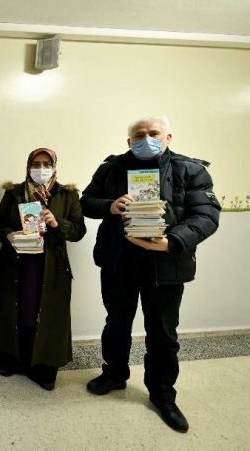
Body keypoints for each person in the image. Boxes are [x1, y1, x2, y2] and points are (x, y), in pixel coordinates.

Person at [80, 115, 220, 433]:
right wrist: (109, 206)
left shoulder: (191, 169)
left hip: (166, 264)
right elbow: (86, 201)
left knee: (163, 333)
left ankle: (163, 395)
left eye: (154, 133)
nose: (147, 138)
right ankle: (114, 374)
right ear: (129, 141)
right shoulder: (111, 168)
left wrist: (171, 242)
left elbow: (207, 215)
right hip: (119, 262)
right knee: (116, 323)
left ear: (169, 136)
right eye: (139, 135)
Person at [0, 148, 86, 390]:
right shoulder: (14, 193)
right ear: (28, 165)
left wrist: (57, 223)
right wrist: (9, 235)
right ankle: (10, 359)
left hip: (49, 266)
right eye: (36, 163)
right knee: (14, 311)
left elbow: (78, 231)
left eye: (46, 163)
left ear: (53, 166)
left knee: (45, 315)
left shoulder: (68, 195)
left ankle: (43, 367)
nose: (40, 168)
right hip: (17, 263)